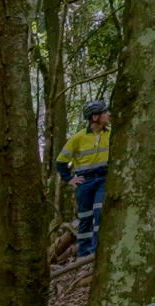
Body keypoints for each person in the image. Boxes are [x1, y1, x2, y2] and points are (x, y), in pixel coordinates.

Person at [57, 99, 112, 258]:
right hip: (85, 181)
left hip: (103, 179)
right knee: (85, 218)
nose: (108, 114)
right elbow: (61, 161)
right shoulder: (78, 137)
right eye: (105, 112)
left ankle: (96, 252)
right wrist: (69, 179)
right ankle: (84, 254)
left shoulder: (111, 134)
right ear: (95, 117)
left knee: (100, 213)